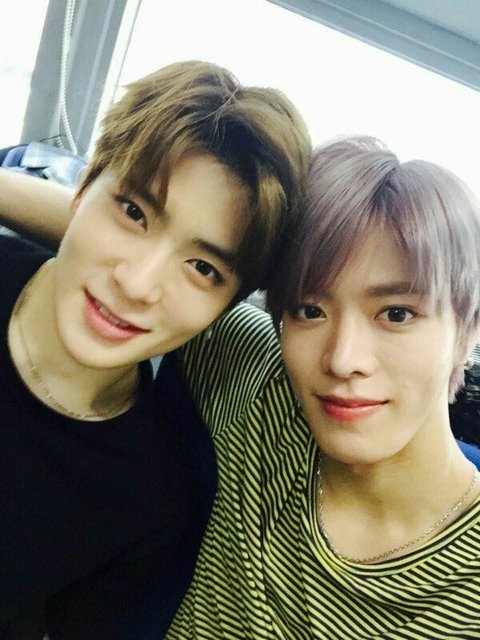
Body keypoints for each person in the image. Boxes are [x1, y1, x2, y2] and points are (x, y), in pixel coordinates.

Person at [2, 137, 480, 638]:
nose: (342, 360)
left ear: (468, 328)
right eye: (310, 310)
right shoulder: (256, 378)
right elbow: (141, 259)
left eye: (396, 314)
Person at [0, 59, 311, 639]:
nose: (138, 284)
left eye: (202, 268)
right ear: (82, 189)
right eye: (133, 212)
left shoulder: (153, 497)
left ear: (227, 306)